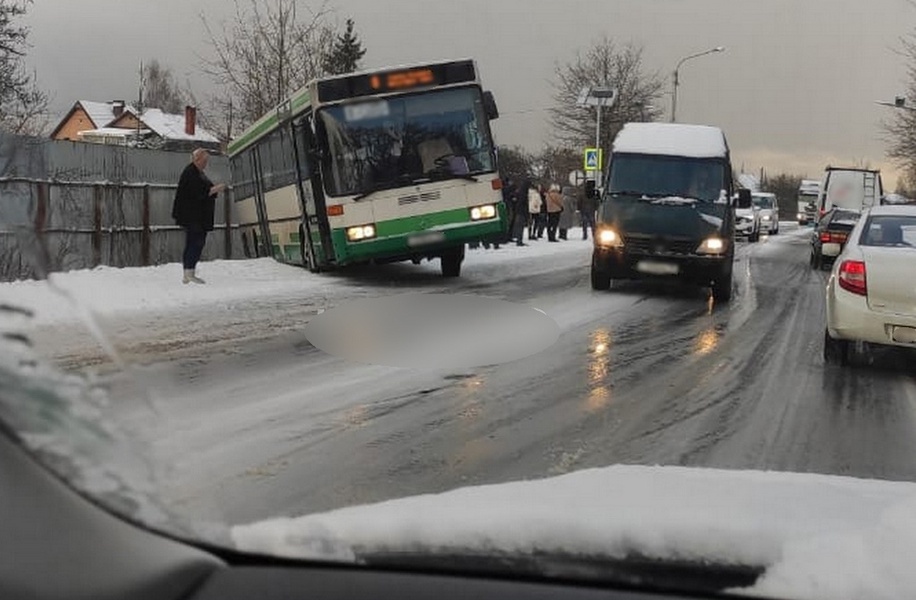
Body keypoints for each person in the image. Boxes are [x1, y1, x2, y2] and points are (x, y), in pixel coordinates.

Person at [172, 148, 226, 284]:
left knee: (194, 242)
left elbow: (205, 189)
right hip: (192, 216)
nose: (206, 164)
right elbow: (198, 193)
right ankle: (189, 271)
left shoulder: (198, 173)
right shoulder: (191, 173)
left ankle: (188, 272)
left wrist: (213, 190)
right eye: (204, 160)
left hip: (197, 216)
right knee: (195, 242)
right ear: (197, 159)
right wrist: (215, 189)